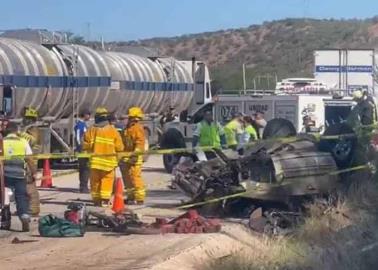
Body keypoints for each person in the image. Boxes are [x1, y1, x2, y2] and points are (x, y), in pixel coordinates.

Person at [83, 107, 124, 206]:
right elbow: (120, 147)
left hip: (95, 162)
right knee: (107, 180)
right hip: (108, 163)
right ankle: (105, 200)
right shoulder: (112, 130)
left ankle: (96, 200)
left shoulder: (91, 130)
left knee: (95, 181)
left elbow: (85, 145)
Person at [3, 122, 37, 232]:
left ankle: (5, 219)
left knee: (4, 197)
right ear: (16, 131)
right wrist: (34, 172)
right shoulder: (23, 142)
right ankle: (24, 216)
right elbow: (29, 159)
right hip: (19, 174)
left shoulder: (2, 142)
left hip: (4, 175)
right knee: (21, 196)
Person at [121, 107, 146, 205]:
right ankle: (130, 197)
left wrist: (135, 155)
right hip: (127, 157)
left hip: (134, 158)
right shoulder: (128, 128)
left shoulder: (137, 128)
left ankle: (139, 198)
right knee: (127, 178)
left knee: (135, 178)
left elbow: (139, 143)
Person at [19, 107, 40, 216]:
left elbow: (32, 141)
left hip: (30, 161)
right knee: (26, 187)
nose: (24, 120)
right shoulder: (27, 129)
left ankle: (33, 209)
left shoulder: (33, 129)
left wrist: (19, 135)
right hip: (27, 160)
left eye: (26, 118)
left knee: (30, 187)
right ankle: (28, 208)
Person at [74, 108, 91, 193]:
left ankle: (84, 186)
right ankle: (83, 187)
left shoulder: (83, 124)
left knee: (85, 169)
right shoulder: (80, 125)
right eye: (88, 114)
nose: (89, 116)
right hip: (82, 150)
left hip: (85, 150)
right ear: (85, 115)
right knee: (84, 169)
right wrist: (80, 148)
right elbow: (77, 137)